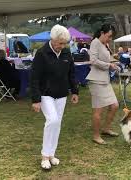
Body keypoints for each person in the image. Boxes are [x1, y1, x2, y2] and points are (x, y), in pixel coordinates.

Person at [30, 24, 79, 170]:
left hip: (62, 94)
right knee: (52, 120)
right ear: (52, 39)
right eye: (60, 43)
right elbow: (34, 77)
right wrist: (36, 99)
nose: (62, 46)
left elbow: (71, 74)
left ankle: (52, 154)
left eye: (64, 44)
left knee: (57, 124)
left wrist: (75, 91)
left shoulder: (66, 53)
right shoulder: (41, 53)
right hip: (45, 94)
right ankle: (45, 155)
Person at [86, 24, 119, 145]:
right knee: (98, 110)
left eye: (111, 37)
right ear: (102, 33)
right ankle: (96, 135)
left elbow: (107, 60)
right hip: (96, 80)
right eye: (109, 36)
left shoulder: (105, 44)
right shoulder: (95, 42)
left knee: (114, 105)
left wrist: (114, 63)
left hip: (105, 80)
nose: (110, 39)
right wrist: (109, 65)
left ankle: (106, 128)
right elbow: (93, 61)